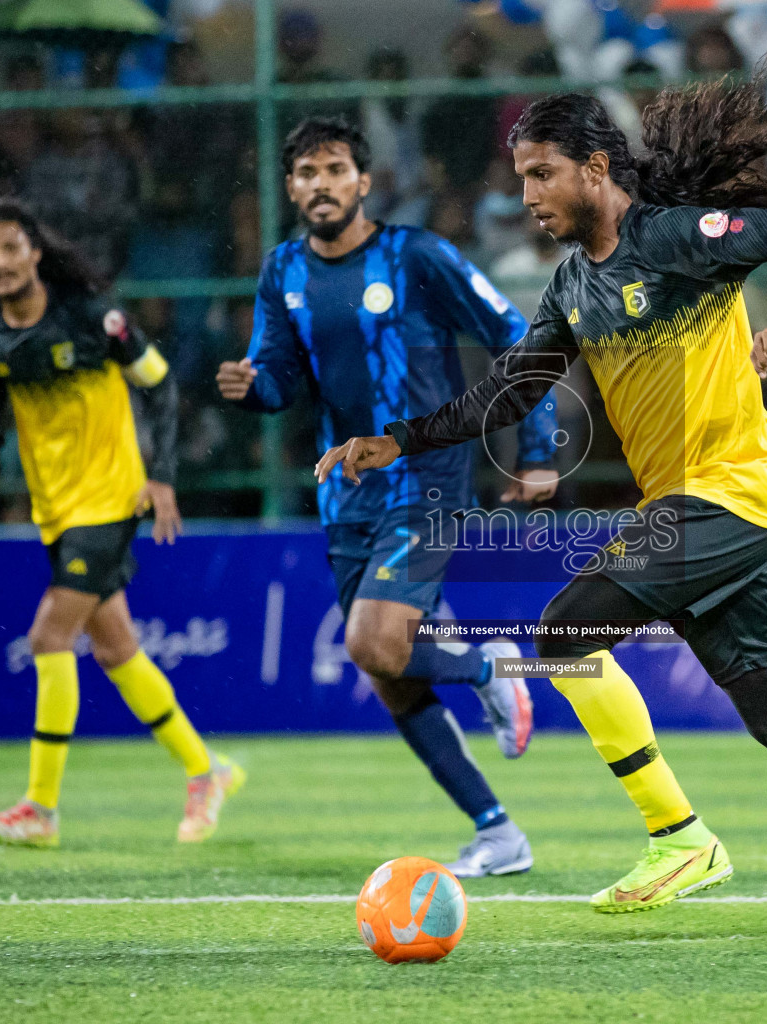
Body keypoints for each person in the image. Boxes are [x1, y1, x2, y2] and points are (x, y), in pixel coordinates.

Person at [314, 79, 767, 952]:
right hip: (691, 501)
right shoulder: (571, 286)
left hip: (735, 488)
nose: (527, 197)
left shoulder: (673, 240)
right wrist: (401, 439)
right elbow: (509, 389)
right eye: (521, 177)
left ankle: (677, 837)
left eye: (541, 174)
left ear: (595, 168)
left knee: (563, 632)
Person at [215, 118, 558, 878]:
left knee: (371, 644)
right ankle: (497, 831)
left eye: (334, 168)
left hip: (427, 478)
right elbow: (282, 381)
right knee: (390, 674)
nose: (320, 184)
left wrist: (536, 449)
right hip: (346, 495)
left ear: (362, 182)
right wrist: (250, 388)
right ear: (291, 188)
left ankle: (489, 670)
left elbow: (517, 337)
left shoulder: (417, 256)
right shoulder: (281, 272)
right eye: (304, 173)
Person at [0, 198, 242, 849]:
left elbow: (160, 384)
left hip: (111, 500)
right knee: (115, 648)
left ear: (34, 251)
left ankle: (41, 809)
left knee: (49, 637)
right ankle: (206, 770)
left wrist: (159, 475)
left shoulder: (91, 317)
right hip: (55, 509)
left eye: (7, 248)